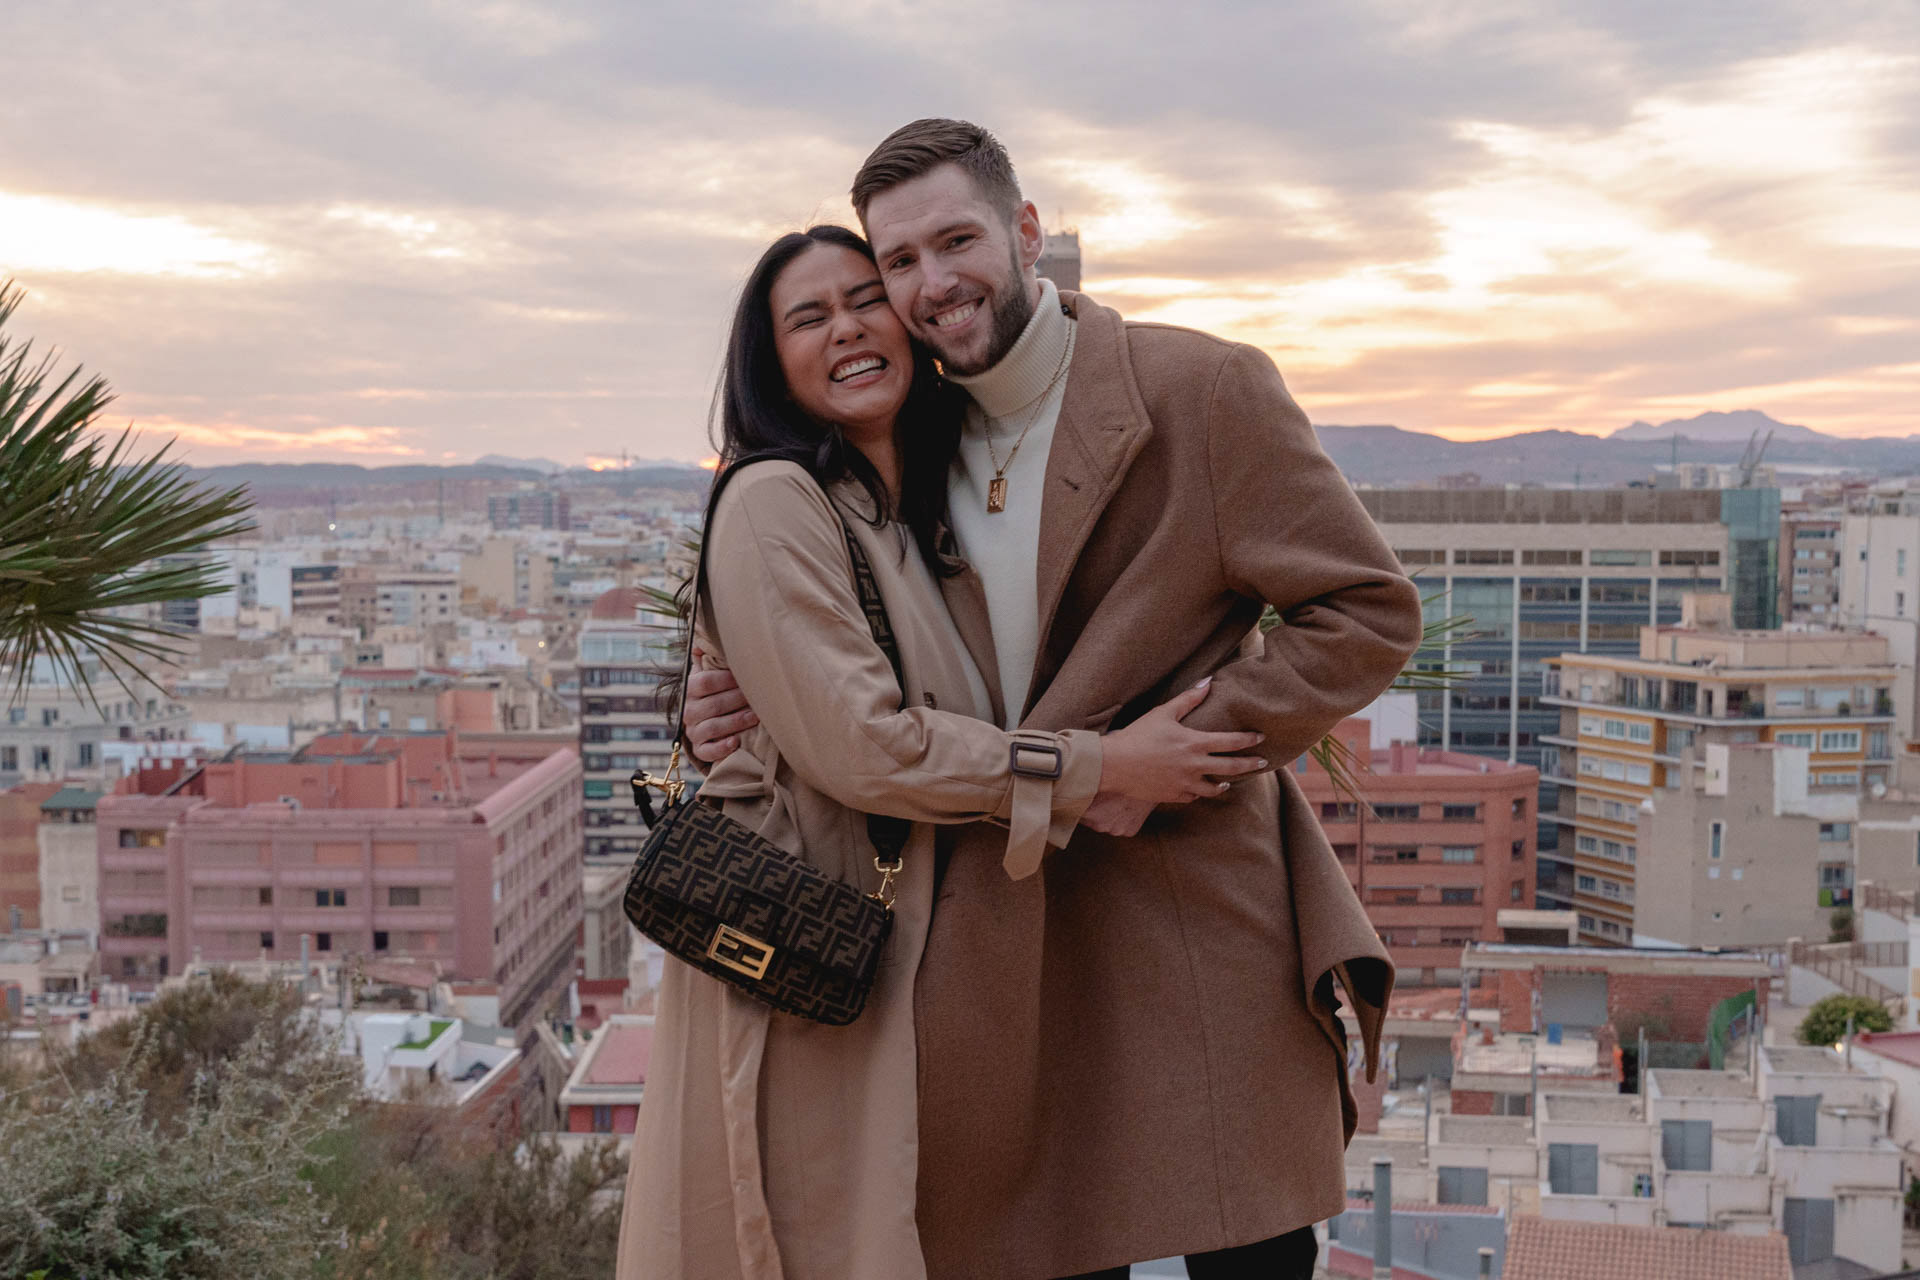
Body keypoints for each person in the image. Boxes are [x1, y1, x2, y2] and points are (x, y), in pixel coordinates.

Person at [682, 120, 1426, 1280]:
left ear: (1027, 232)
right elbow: (834, 631)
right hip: (1002, 940)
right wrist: (724, 698)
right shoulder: (902, 439)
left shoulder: (1202, 389)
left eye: (958, 240)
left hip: (1186, 909)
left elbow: (1368, 610)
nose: (933, 284)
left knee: (1248, 1246)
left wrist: (1186, 749)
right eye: (900, 262)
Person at [614, 224, 1271, 1280]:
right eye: (808, 315)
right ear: (766, 361)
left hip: (901, 961)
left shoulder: (914, 512)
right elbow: (867, 746)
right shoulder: (778, 495)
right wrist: (1106, 767)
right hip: (809, 951)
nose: (849, 327)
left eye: (865, 298)